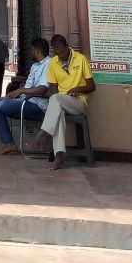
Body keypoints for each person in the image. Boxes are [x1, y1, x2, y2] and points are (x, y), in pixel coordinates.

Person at [39, 33, 96, 169]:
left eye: (63, 52)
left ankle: (44, 131)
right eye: (58, 53)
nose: (61, 55)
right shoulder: (53, 63)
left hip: (78, 102)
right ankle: (59, 155)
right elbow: (53, 88)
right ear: (54, 52)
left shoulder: (80, 59)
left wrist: (79, 89)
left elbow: (92, 86)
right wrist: (59, 97)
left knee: (56, 99)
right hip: (61, 100)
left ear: (67, 47)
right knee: (57, 108)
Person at [0, 37, 50, 153]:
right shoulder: (35, 66)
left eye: (32, 50)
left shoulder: (49, 64)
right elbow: (28, 86)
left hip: (38, 105)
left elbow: (42, 89)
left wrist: (20, 91)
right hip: (27, 100)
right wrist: (17, 93)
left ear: (37, 51)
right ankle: (8, 142)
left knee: (3, 105)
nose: (31, 52)